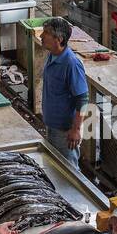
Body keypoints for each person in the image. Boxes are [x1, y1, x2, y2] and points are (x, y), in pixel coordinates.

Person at [39, 16, 88, 169]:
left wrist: (76, 129)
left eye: (46, 33)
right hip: (51, 125)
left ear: (59, 39)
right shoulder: (52, 55)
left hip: (65, 131)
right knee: (55, 168)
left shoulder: (71, 63)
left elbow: (83, 99)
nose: (41, 35)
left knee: (71, 174)